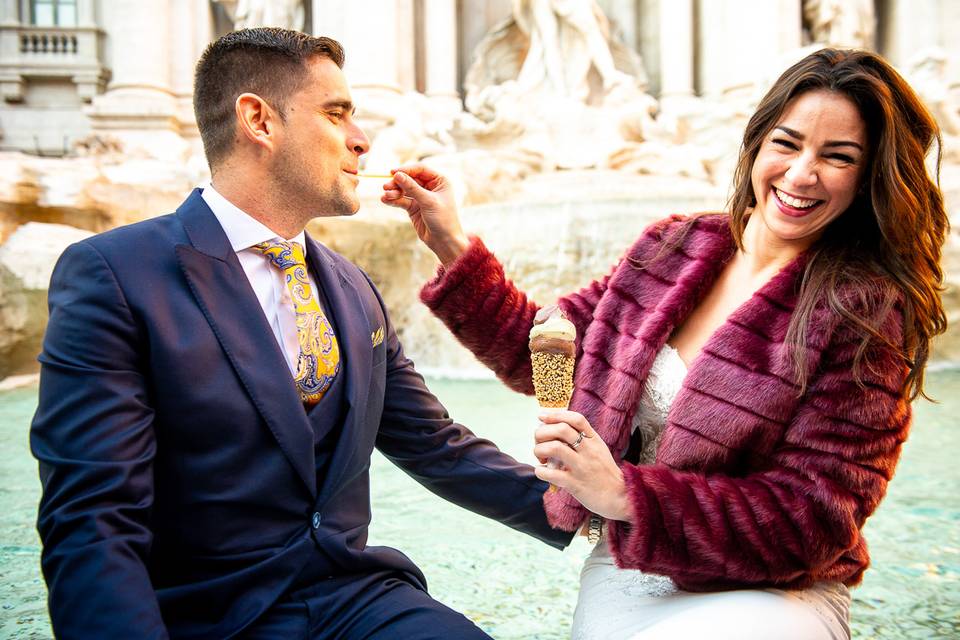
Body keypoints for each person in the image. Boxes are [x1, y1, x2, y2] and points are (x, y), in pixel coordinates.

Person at [382, 48, 947, 639]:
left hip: (772, 592)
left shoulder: (866, 313)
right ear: (756, 143)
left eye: (838, 157)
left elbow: (814, 518)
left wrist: (626, 494)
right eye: (788, 143)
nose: (802, 174)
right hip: (629, 570)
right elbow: (545, 354)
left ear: (867, 179)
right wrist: (450, 242)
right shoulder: (674, 247)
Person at [30, 28, 571, 639]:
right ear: (259, 120)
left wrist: (600, 509)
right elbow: (94, 520)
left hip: (356, 599)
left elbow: (434, 445)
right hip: (202, 618)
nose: (362, 140)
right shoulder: (113, 273)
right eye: (336, 114)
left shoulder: (353, 287)